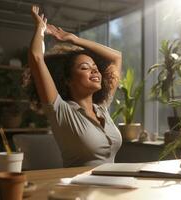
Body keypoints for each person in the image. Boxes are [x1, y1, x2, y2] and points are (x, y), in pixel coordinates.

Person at [29, 5, 122, 167]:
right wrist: (40, 29)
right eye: (85, 68)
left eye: (95, 67)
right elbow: (36, 57)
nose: (94, 70)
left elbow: (116, 58)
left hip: (109, 187)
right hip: (79, 188)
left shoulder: (101, 108)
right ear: (68, 80)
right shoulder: (61, 111)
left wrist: (75, 40)